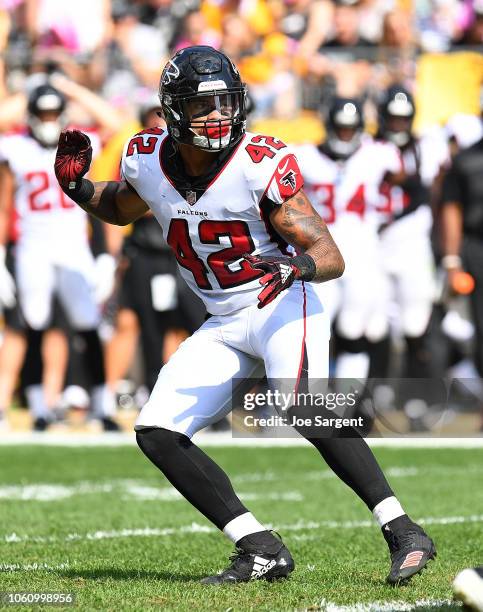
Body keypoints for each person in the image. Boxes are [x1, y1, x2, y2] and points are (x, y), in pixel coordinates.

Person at [54, 45, 435, 585]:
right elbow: (120, 207)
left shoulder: (258, 162)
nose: (220, 116)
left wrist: (296, 267)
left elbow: (330, 253)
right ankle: (258, 548)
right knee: (156, 431)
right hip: (224, 318)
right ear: (173, 110)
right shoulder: (145, 155)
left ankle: (404, 530)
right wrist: (77, 188)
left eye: (227, 103)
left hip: (281, 298)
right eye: (205, 105)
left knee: (301, 404)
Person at [0, 83, 118, 431]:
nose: (49, 121)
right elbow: (4, 207)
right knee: (34, 323)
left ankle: (102, 405)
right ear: (31, 116)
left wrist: (68, 86)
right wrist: (33, 87)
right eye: (43, 114)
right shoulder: (15, 147)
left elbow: (115, 122)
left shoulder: (79, 145)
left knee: (88, 324)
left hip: (73, 248)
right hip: (32, 247)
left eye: (54, 113)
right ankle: (38, 407)